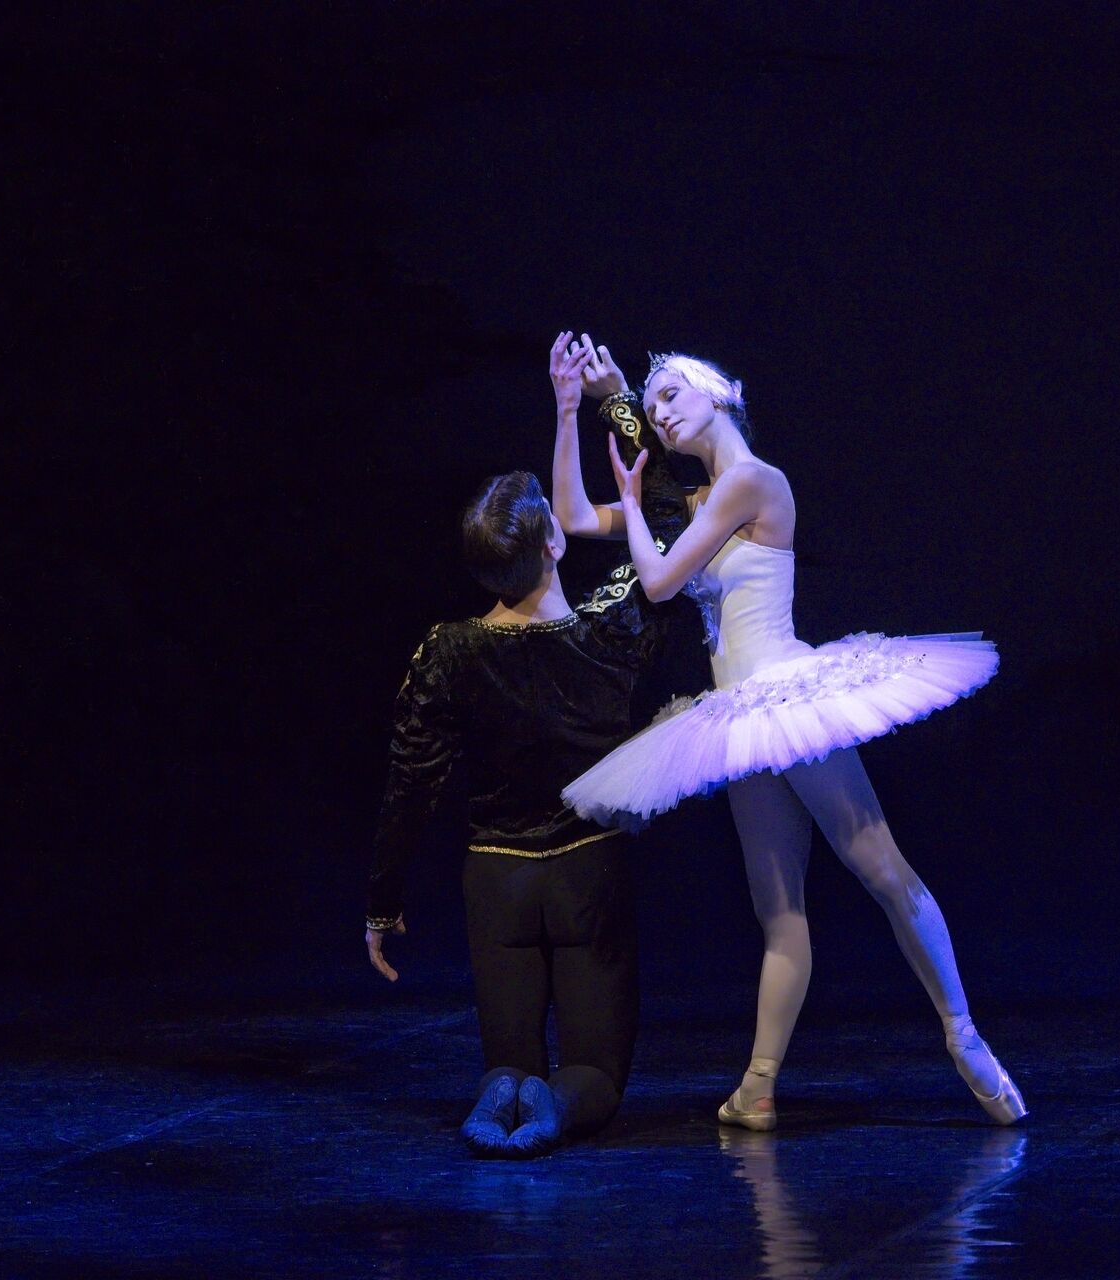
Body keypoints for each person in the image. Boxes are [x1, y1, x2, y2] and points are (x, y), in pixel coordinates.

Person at [555, 345, 1025, 1130]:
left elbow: (661, 581)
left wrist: (633, 501)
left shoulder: (753, 481)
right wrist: (572, 407)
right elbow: (572, 518)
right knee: (778, 914)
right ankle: (759, 1086)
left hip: (784, 697)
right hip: (740, 722)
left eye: (671, 395)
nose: (659, 412)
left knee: (881, 868)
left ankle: (964, 1035)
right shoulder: (700, 500)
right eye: (651, 402)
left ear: (719, 396)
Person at [364, 333, 689, 1158]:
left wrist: (382, 902)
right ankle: (553, 1106)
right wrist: (606, 403)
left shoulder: (448, 650)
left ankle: (502, 1089)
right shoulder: (612, 632)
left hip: (495, 877)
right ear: (553, 543)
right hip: (587, 873)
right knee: (596, 1075)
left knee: (506, 1058)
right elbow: (665, 520)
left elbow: (411, 781)